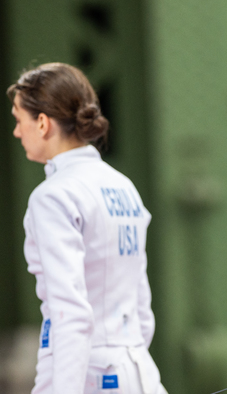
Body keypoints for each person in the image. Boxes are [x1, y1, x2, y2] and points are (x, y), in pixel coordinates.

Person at [8, 63, 167, 394]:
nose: (16, 132)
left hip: (89, 378)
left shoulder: (52, 197)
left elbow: (69, 313)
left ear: (42, 122)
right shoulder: (123, 186)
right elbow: (142, 306)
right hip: (139, 373)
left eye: (18, 120)